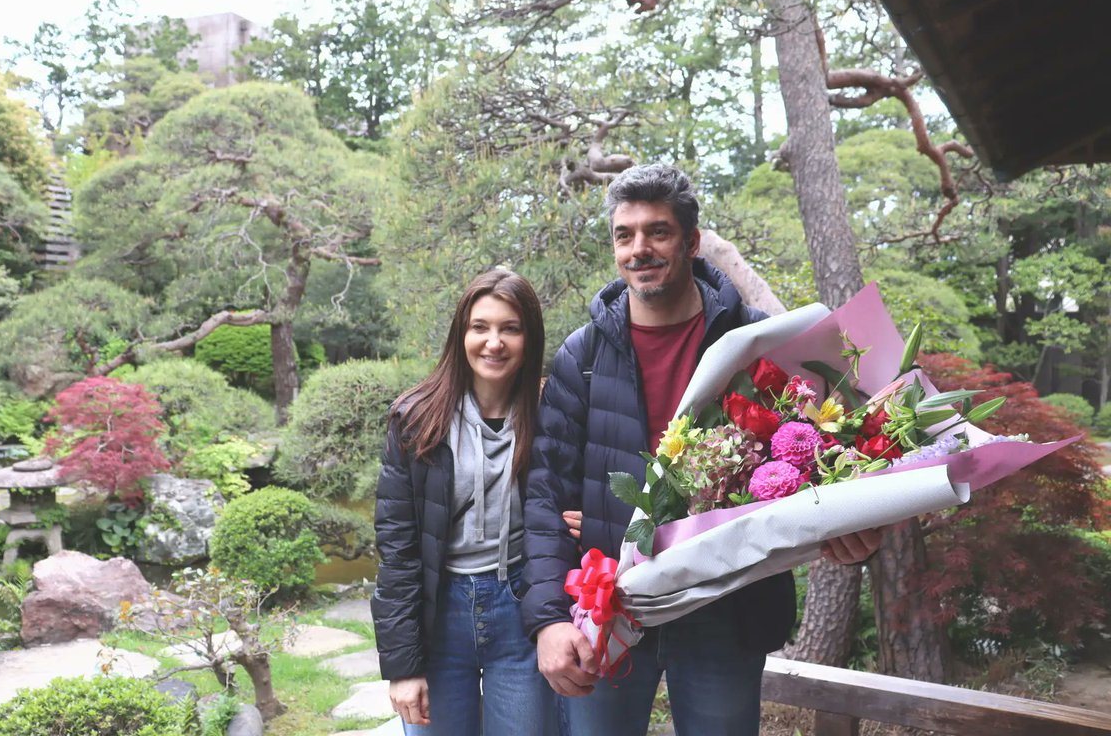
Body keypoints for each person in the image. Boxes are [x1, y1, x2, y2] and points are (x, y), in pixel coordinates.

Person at [520, 164, 880, 736]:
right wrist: (546, 620)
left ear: (691, 242)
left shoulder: (761, 344)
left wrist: (853, 529)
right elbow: (543, 495)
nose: (639, 248)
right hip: (609, 603)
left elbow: (823, 458)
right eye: (624, 235)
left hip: (727, 608)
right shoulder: (582, 356)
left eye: (658, 232)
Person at [372, 268, 560, 736]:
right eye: (481, 327)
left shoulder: (550, 413)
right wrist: (403, 667)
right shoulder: (416, 419)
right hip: (439, 614)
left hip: (520, 608)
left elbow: (566, 502)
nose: (494, 342)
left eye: (510, 328)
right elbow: (397, 550)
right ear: (462, 334)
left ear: (529, 338)